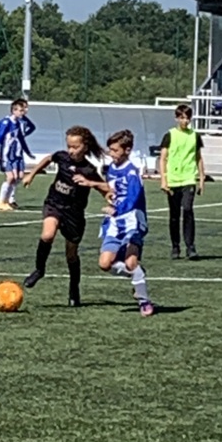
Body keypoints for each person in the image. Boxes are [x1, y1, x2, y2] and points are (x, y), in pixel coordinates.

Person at [22, 126, 104, 307]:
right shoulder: (62, 157)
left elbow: (102, 187)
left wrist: (109, 199)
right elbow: (47, 159)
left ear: (85, 146)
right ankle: (39, 270)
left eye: (75, 147)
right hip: (54, 204)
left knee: (71, 255)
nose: (71, 150)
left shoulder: (89, 169)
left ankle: (74, 288)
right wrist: (31, 174)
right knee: (47, 234)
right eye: (69, 146)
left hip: (74, 213)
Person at [75, 129, 154, 317]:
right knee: (104, 263)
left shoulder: (132, 172)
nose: (112, 154)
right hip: (114, 223)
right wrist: (96, 186)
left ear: (127, 150)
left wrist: (117, 209)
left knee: (130, 260)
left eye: (115, 150)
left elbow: (134, 196)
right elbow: (112, 189)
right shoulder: (111, 169)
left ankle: (144, 300)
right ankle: (137, 275)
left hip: (133, 221)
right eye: (110, 150)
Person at [159, 103, 205, 261]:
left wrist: (202, 178)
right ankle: (175, 246)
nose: (185, 121)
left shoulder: (195, 136)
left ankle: (190, 247)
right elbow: (163, 158)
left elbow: (198, 157)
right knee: (174, 214)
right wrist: (163, 180)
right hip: (173, 180)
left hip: (188, 178)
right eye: (182, 118)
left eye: (187, 118)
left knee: (187, 210)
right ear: (176, 118)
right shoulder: (170, 135)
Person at [0, 98, 35, 211]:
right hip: (5, 154)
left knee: (17, 177)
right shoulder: (7, 122)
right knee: (11, 177)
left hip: (13, 154)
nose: (23, 112)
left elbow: (21, 139)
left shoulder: (17, 124)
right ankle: (1, 202)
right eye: (21, 110)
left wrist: (28, 153)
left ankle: (7, 201)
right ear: (14, 111)